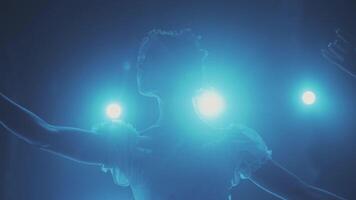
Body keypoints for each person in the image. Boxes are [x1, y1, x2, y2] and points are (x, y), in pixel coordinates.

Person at [0, 29, 347, 200]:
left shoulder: (231, 142)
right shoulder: (129, 146)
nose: (140, 64)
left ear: (181, 71)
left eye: (151, 57)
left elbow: (301, 194)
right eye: (140, 58)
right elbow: (43, 135)